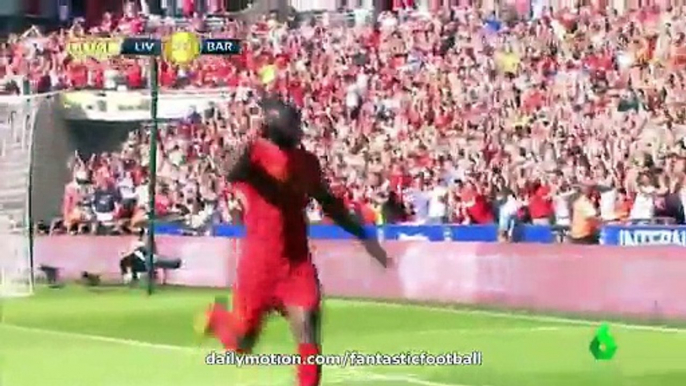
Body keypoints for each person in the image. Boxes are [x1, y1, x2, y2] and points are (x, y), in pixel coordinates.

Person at [197, 98, 389, 386]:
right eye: (292, 122)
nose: (299, 128)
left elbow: (329, 203)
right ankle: (217, 318)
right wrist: (251, 138)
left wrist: (363, 236)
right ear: (273, 125)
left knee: (309, 332)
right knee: (242, 345)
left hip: (296, 264)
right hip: (258, 266)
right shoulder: (254, 155)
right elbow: (229, 171)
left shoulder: (307, 163)